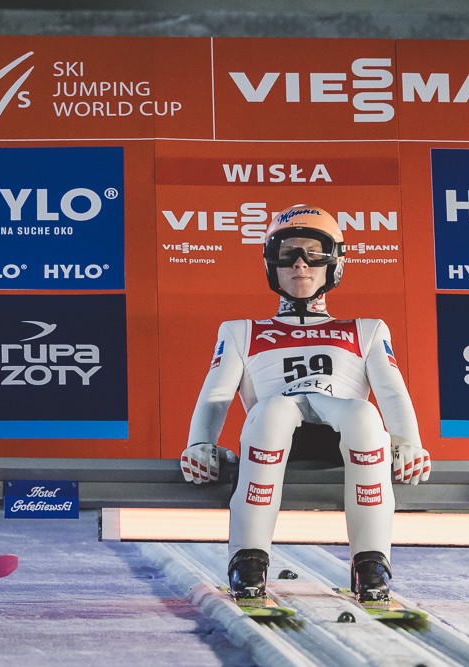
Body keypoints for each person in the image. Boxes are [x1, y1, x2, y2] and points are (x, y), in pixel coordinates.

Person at [180, 204, 431, 602]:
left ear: (334, 263)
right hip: (273, 432)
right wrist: (199, 444)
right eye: (287, 254)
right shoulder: (242, 331)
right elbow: (216, 394)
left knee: (365, 414)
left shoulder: (365, 330)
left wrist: (407, 443)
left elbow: (392, 392)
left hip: (342, 434)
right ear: (271, 264)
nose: (300, 264)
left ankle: (371, 565)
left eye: (314, 253)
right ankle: (248, 560)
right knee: (273, 410)